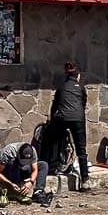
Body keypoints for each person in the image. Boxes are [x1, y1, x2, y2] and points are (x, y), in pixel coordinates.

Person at [44, 62, 90, 190]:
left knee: (53, 142)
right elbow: (83, 104)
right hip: (78, 119)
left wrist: (52, 119)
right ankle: (85, 180)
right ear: (78, 75)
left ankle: (52, 169)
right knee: (81, 149)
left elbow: (55, 106)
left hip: (63, 118)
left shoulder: (62, 87)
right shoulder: (81, 88)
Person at [0, 141, 51, 206]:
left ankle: (38, 192)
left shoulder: (32, 151)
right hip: (9, 170)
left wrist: (31, 182)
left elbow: (35, 169)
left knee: (43, 165)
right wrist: (10, 183)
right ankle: (17, 190)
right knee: (12, 162)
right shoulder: (8, 152)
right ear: (18, 154)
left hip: (22, 170)